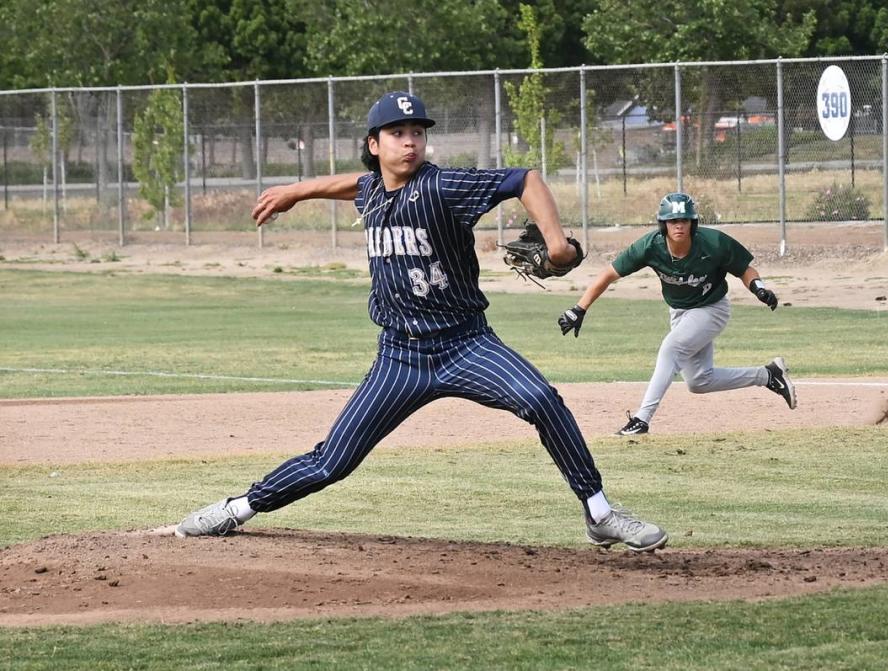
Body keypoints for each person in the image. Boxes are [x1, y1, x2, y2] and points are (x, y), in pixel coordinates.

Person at [175, 91, 668, 552]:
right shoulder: (372, 190)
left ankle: (599, 513)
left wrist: (556, 242)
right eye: (396, 132)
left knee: (541, 399)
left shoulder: (441, 186)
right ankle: (237, 508)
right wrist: (297, 191)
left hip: (466, 345)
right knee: (333, 462)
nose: (410, 140)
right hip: (400, 357)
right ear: (374, 145)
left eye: (417, 131)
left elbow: (525, 180)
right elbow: (355, 184)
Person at [558, 192, 797, 436]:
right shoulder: (650, 246)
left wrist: (758, 288)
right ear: (664, 224)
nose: (679, 225)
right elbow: (608, 275)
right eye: (673, 221)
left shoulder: (713, 243)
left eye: (685, 220)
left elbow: (744, 269)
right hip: (680, 312)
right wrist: (579, 309)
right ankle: (768, 375)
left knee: (670, 348)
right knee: (699, 381)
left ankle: (642, 419)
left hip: (711, 309)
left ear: (693, 223)